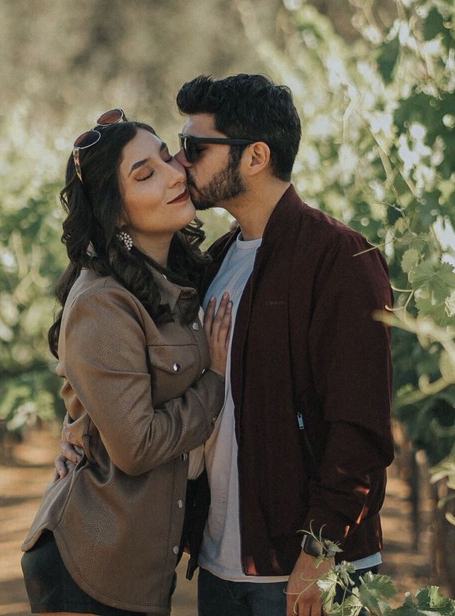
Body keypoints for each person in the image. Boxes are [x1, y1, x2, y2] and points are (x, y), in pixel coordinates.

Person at [173, 74, 395, 616]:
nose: (182, 163)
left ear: (255, 157)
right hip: (223, 566)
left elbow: (360, 427)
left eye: (195, 149)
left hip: (308, 573)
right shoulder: (218, 262)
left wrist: (320, 550)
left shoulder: (341, 259)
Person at [21, 109, 234, 616]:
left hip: (136, 569)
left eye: (166, 159)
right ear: (116, 213)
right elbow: (135, 448)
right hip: (91, 564)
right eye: (145, 174)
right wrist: (216, 382)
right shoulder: (102, 302)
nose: (173, 175)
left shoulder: (180, 283)